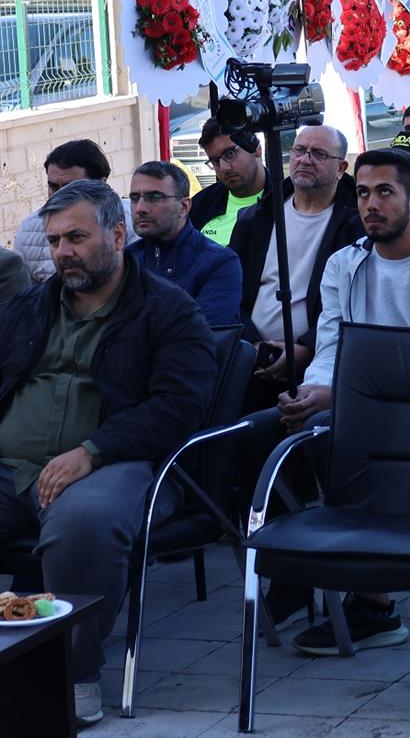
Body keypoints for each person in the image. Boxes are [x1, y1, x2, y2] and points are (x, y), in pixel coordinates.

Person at [0, 179, 213, 727]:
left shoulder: (168, 311)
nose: (62, 252)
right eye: (53, 241)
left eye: (76, 237)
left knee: (85, 522)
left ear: (117, 235)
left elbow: (177, 407)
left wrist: (92, 451)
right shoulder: (28, 307)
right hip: (13, 469)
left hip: (120, 465)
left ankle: (73, 676)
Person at [270, 147, 410, 655]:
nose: (370, 204)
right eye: (363, 192)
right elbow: (330, 347)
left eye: (384, 192)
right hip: (356, 406)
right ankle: (313, 567)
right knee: (289, 428)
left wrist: (338, 393)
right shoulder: (344, 264)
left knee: (338, 432)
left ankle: (368, 600)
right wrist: (312, 389)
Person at [231, 125, 363, 401]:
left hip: (319, 368)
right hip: (250, 360)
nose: (305, 159)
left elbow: (357, 304)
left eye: (318, 154)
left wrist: (307, 348)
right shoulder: (256, 219)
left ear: (341, 167)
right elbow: (231, 291)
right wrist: (252, 343)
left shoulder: (356, 226)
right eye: (300, 150)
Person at [126, 160, 242, 327]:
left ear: (184, 206)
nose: (140, 208)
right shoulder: (125, 262)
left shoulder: (219, 263)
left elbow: (201, 338)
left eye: (155, 197)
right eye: (135, 198)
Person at [11, 139, 129, 283]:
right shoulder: (28, 232)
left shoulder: (133, 223)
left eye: (77, 237)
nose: (60, 195)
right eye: (53, 240)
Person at [191, 121, 268, 245]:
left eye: (230, 154)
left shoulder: (286, 201)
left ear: (257, 149)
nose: (224, 167)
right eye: (215, 161)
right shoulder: (201, 204)